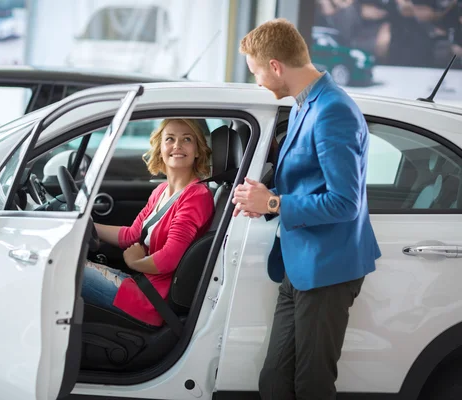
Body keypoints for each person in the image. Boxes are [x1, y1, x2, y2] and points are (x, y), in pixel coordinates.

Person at [233, 18, 382, 400]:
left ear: (276, 66)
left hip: (328, 267)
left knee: (311, 385)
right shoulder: (304, 105)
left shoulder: (333, 111)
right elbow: (308, 180)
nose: (259, 82)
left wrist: (273, 202)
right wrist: (264, 198)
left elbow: (344, 202)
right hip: (300, 262)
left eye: (257, 73)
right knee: (274, 381)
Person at [81, 118, 215, 327]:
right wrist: (84, 224)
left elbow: (169, 259)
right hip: (140, 284)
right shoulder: (161, 191)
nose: (177, 145)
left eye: (187, 139)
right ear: (160, 147)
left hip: (151, 300)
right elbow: (132, 235)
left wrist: (134, 262)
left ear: (197, 150)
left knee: (64, 273)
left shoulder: (196, 196)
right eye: (170, 139)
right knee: (70, 265)